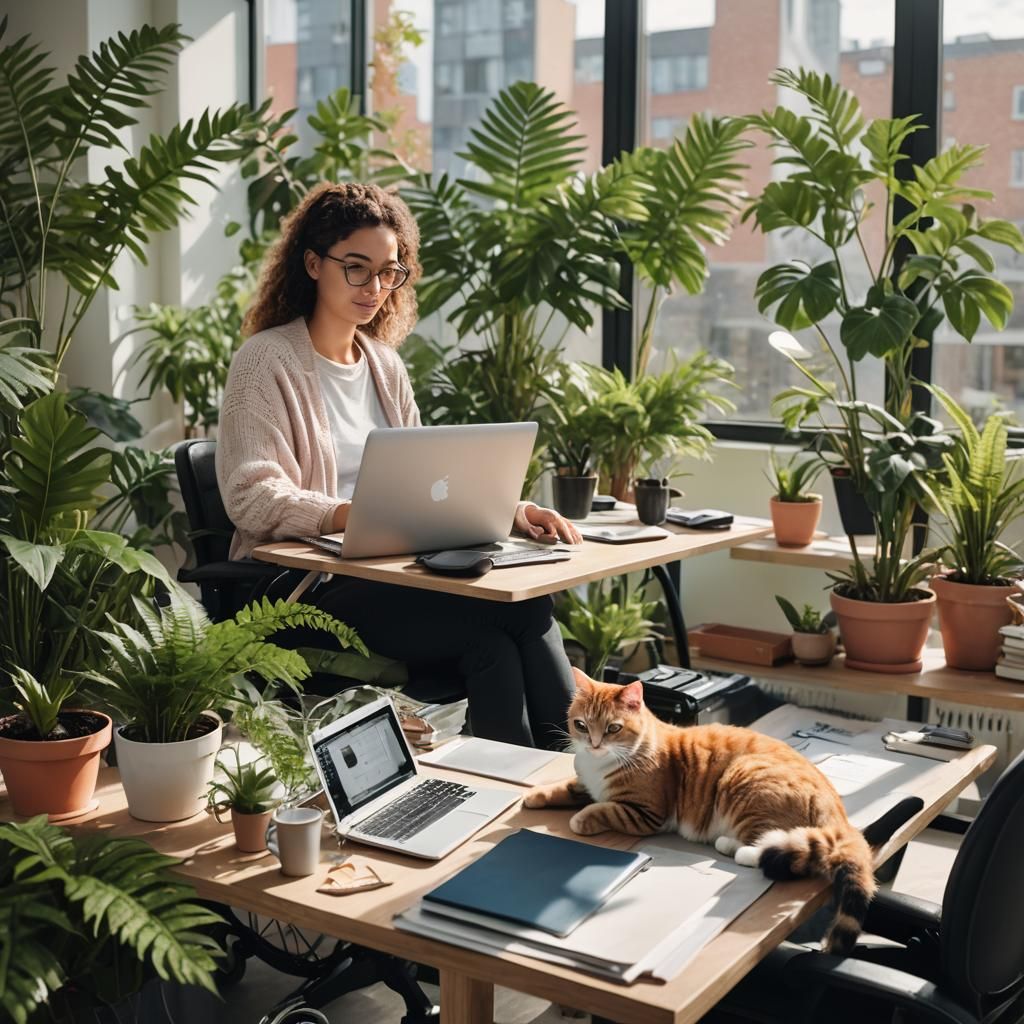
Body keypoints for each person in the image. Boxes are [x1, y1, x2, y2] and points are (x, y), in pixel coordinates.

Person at [217, 182, 582, 749]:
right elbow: (251, 495)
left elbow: (427, 481)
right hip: (308, 589)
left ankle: (525, 791)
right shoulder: (265, 360)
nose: (376, 288)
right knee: (516, 617)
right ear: (313, 263)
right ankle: (576, 777)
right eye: (357, 269)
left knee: (499, 639)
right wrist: (347, 515)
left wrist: (511, 510)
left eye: (390, 271)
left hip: (391, 574)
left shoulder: (384, 366)